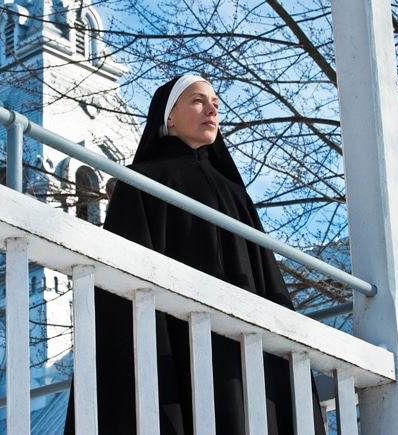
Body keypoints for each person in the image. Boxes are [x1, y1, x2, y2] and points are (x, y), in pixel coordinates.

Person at [65, 75, 325, 434]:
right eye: (198, 101)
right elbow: (121, 293)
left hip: (243, 349)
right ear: (168, 118)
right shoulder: (142, 182)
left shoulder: (237, 195)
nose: (213, 108)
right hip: (178, 348)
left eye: (215, 101)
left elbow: (267, 279)